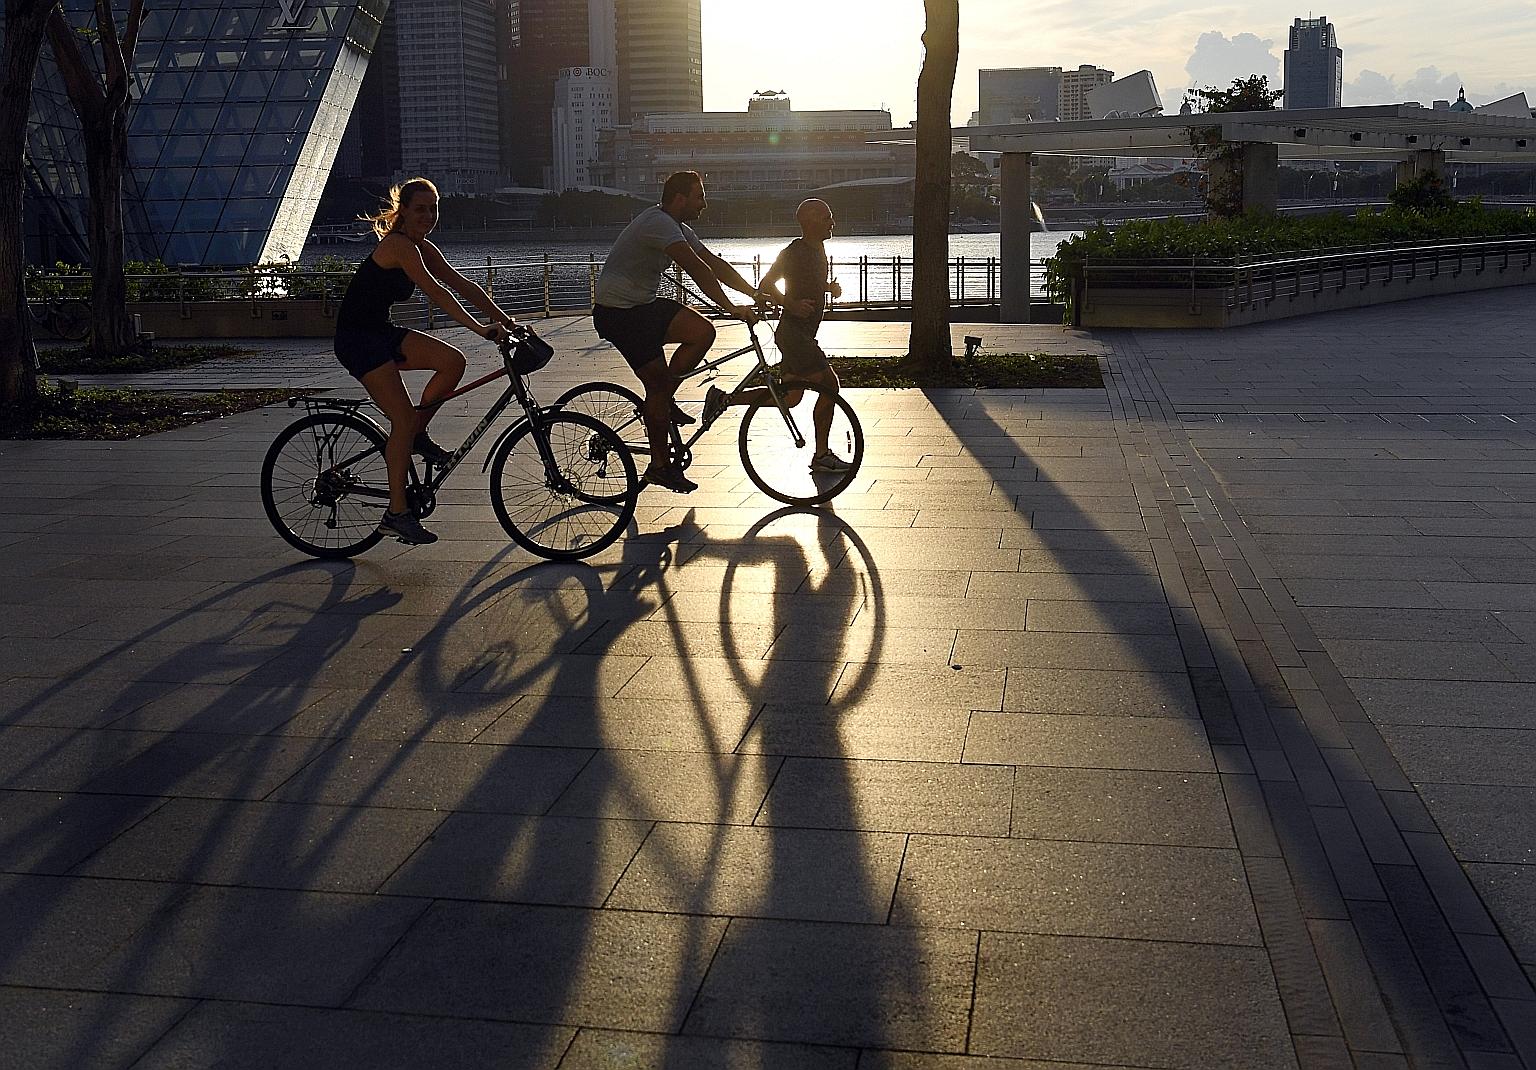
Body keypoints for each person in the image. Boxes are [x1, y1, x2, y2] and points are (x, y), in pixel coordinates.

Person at [334, 177, 516, 545]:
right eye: (420, 209)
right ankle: (396, 513)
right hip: (357, 339)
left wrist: (508, 321)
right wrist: (481, 329)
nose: (428, 216)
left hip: (380, 331)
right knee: (400, 418)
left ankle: (415, 434)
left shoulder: (422, 247)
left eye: (433, 209)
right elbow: (437, 292)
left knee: (453, 362)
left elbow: (463, 284)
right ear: (402, 211)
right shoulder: (399, 246)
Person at [592, 171, 769, 493]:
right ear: (679, 198)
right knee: (657, 387)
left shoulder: (677, 227)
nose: (704, 203)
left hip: (641, 306)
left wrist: (754, 294)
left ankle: (663, 399)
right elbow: (696, 268)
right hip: (619, 315)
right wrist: (732, 308)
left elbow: (713, 263)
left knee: (702, 332)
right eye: (699, 196)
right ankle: (660, 465)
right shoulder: (658, 224)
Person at [712, 197, 852, 472]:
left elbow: (806, 282)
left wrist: (828, 288)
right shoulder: (795, 251)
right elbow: (766, 285)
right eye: (827, 218)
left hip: (800, 334)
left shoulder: (816, 250)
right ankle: (822, 455)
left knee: (790, 398)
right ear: (810, 221)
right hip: (794, 335)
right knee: (829, 386)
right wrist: (790, 304)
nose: (832, 222)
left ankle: (723, 399)